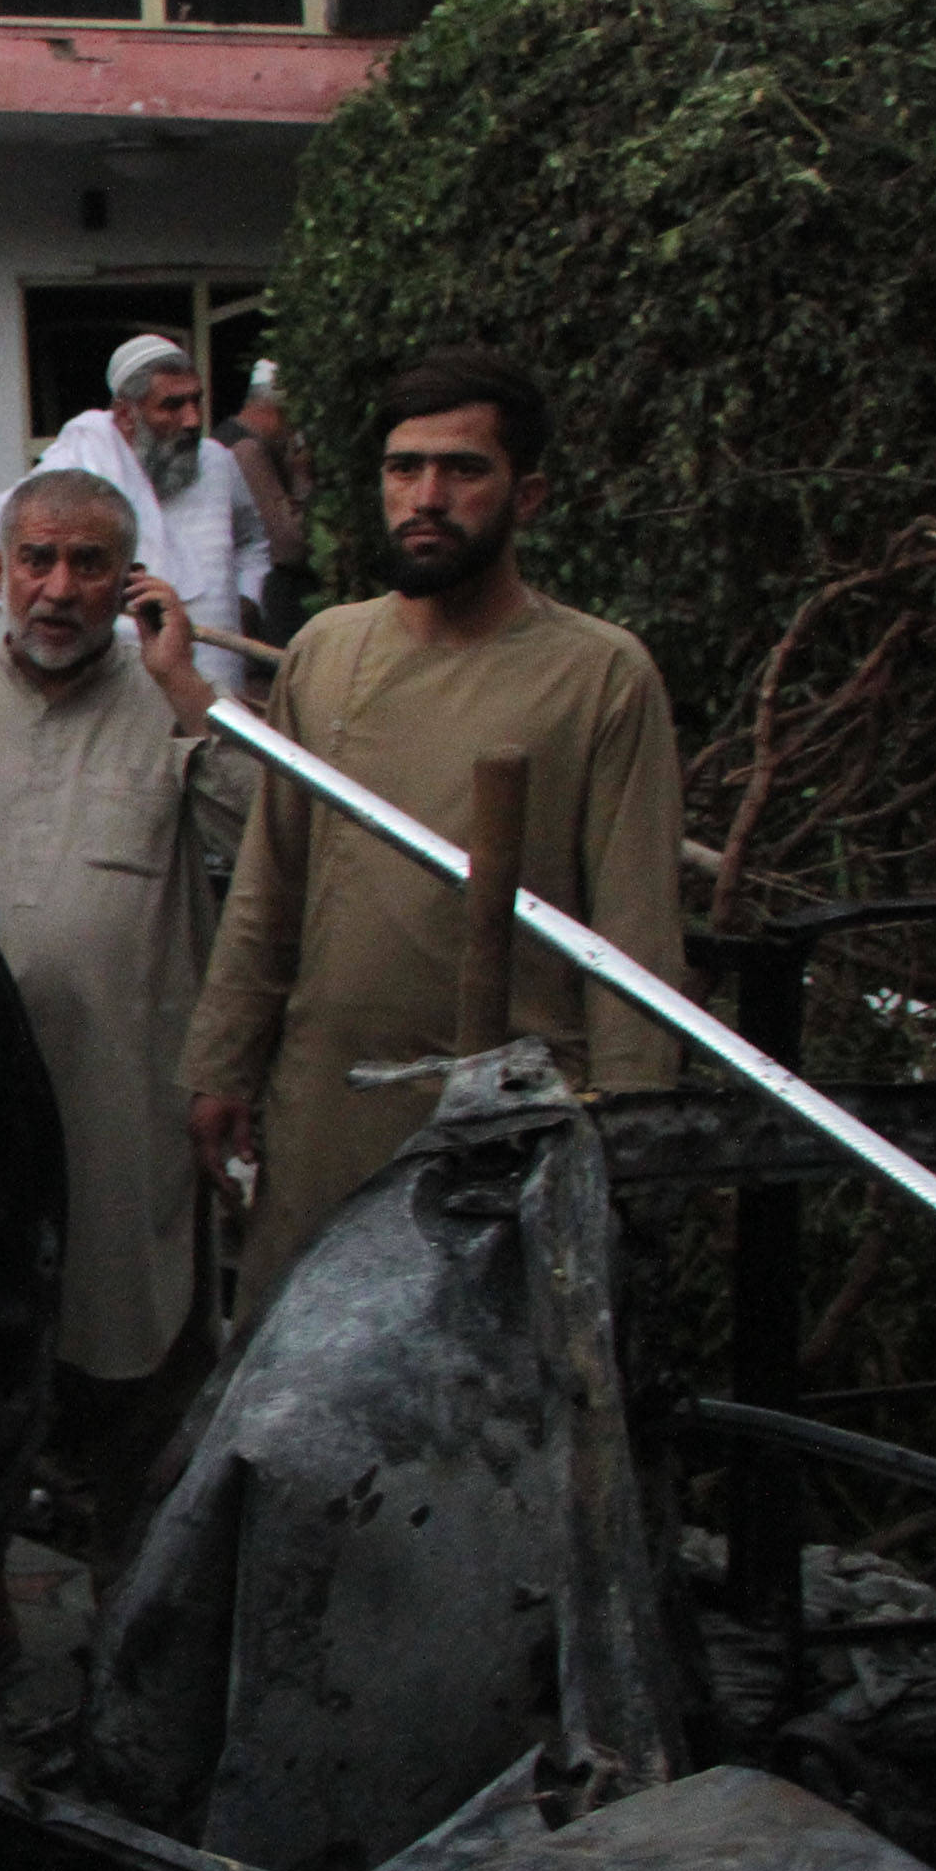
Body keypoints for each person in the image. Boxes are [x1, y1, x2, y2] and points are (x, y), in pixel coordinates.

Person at [179, 347, 686, 1324]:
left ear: (525, 494)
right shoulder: (328, 651)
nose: (424, 496)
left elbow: (632, 938)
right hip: (326, 1108)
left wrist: (629, 1144)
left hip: (504, 1126)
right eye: (402, 468)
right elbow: (269, 879)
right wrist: (222, 1063)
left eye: (461, 470)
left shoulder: (599, 679)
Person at [0, 467, 257, 1523]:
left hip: (127, 1114)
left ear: (129, 581)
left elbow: (270, 840)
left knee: (132, 1382)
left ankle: (128, 1623)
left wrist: (190, 688)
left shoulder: (176, 709)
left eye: (88, 564)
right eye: (37, 561)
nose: (58, 588)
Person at [0, 334, 269, 700]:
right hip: (122, 682)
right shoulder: (79, 465)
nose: (193, 420)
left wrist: (248, 599)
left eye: (196, 401)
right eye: (172, 406)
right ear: (125, 415)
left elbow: (252, 541)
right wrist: (46, 614)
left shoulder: (218, 464)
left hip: (219, 669)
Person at [223, 357, 315, 644]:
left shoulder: (225, 440)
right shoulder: (248, 451)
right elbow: (289, 545)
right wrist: (300, 478)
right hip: (267, 617)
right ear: (277, 411)